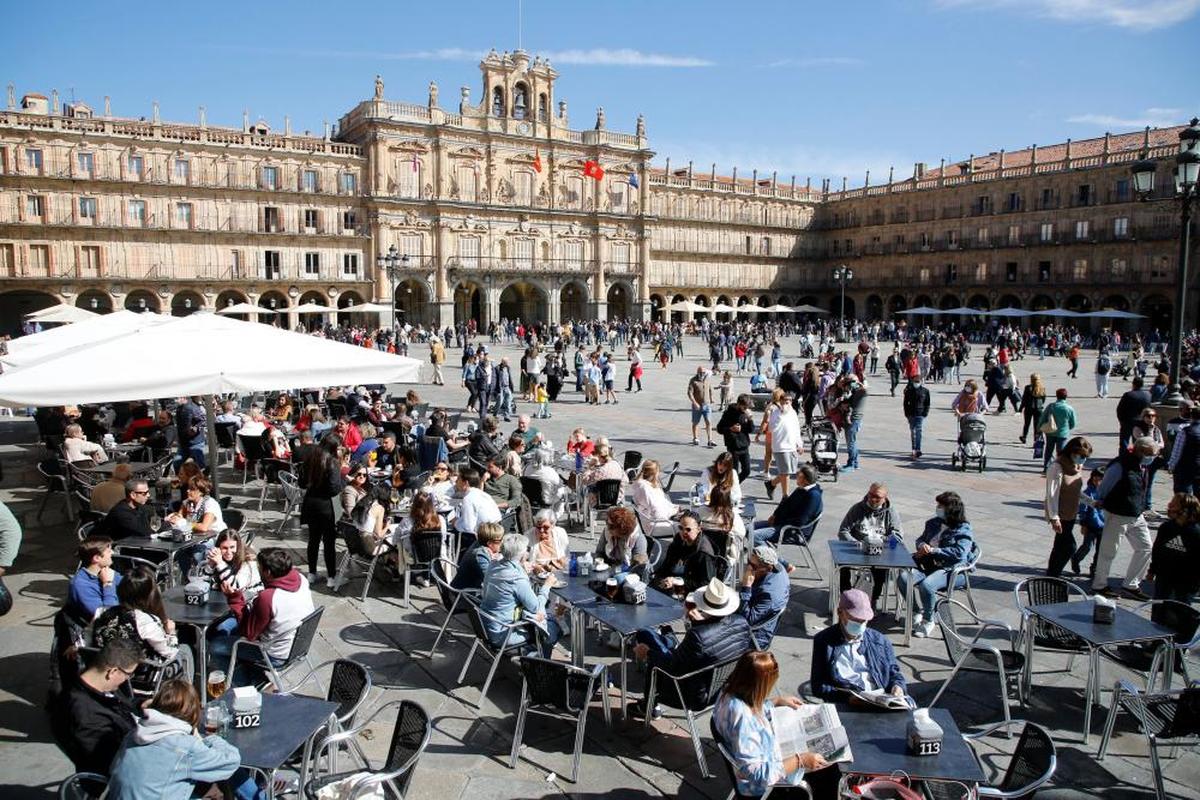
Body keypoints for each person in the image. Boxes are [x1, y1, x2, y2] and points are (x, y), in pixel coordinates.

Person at [712, 651, 835, 799]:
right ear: (759, 686)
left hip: (762, 755)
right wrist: (800, 760)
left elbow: (751, 703)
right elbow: (757, 775)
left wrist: (775, 702)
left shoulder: (728, 690)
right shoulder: (744, 722)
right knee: (829, 771)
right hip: (763, 783)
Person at [631, 578, 752, 720]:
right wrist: (697, 624)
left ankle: (648, 707)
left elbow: (673, 667)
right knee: (659, 639)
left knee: (648, 643)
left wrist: (647, 653)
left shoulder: (698, 636)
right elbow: (709, 651)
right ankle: (668, 637)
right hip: (723, 690)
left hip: (691, 696)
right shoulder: (742, 623)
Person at [106, 679, 245, 800]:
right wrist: (210, 739)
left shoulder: (133, 733)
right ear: (192, 711)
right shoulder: (185, 747)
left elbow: (113, 768)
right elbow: (231, 762)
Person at [211, 547, 314, 684]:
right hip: (298, 646)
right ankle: (257, 678)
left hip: (274, 655)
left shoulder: (269, 598)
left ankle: (247, 687)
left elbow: (248, 634)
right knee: (230, 630)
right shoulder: (301, 579)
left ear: (268, 572)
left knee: (216, 646)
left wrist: (234, 598)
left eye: (259, 568)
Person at [48, 637, 141, 775]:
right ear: (113, 672)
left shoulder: (100, 684)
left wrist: (140, 705)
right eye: (128, 674)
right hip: (121, 774)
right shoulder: (86, 716)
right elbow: (111, 763)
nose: (127, 679)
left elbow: (122, 704)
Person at [93, 563, 194, 681]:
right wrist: (171, 633)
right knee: (185, 651)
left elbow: (89, 639)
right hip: (138, 678)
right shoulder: (145, 621)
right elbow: (169, 652)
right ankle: (185, 696)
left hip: (104, 670)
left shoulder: (101, 611)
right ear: (149, 595)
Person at [896, 492, 976, 637]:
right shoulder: (933, 523)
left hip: (952, 570)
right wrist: (921, 546)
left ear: (950, 509)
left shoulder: (963, 529)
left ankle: (929, 620)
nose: (937, 508)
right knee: (903, 578)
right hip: (928, 565)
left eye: (941, 506)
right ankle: (915, 610)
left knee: (927, 585)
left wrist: (933, 550)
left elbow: (960, 553)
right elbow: (920, 539)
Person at [1091, 436, 1160, 600]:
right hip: (1117, 514)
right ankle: (1099, 585)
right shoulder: (1120, 465)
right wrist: (1102, 504)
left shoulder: (1141, 465)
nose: (1152, 458)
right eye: (1151, 454)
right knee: (1109, 551)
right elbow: (1104, 487)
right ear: (1141, 451)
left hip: (1136, 514)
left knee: (1145, 547)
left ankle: (1131, 585)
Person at [810, 589, 908, 704]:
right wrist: (847, 698)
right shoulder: (824, 641)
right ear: (840, 612)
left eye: (864, 620)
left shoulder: (880, 641)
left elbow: (894, 673)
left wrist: (898, 686)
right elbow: (818, 686)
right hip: (847, 702)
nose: (860, 624)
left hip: (880, 699)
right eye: (854, 619)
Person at [479, 534, 562, 657]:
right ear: (522, 555)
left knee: (542, 618)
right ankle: (538, 667)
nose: (528, 552)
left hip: (484, 626)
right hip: (503, 633)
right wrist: (547, 585)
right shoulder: (516, 579)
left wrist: (521, 568)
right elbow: (536, 607)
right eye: (527, 550)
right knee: (553, 628)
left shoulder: (493, 565)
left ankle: (532, 653)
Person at [837, 483, 903, 605]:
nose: (873, 499)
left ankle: (873, 599)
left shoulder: (891, 512)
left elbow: (898, 536)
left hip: (879, 550)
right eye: (871, 495)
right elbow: (843, 531)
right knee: (842, 563)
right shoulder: (857, 509)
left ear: (885, 498)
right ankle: (846, 595)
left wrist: (884, 541)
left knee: (881, 568)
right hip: (858, 549)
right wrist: (854, 543)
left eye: (877, 497)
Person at [1043, 436, 1093, 578]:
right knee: (1069, 547)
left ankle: (1052, 575)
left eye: (1085, 457)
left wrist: (1091, 502)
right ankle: (1053, 574)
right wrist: (1054, 517)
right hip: (1060, 514)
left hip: (1071, 513)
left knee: (1059, 546)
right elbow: (1052, 494)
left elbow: (1076, 490)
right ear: (1072, 452)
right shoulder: (1057, 467)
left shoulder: (1076, 466)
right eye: (1081, 456)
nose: (1083, 460)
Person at [299, 434, 345, 584]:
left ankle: (312, 573)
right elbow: (334, 488)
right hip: (326, 505)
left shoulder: (310, 458)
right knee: (329, 542)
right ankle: (332, 577)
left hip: (310, 502)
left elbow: (301, 482)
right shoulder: (332, 462)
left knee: (313, 540)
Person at [1148, 492, 1200, 608]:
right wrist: (1152, 570)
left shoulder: (1195, 533)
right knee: (1158, 612)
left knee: (1179, 614)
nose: (1169, 505)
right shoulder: (1166, 528)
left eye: (1174, 504)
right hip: (1163, 578)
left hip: (1186, 583)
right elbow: (1157, 551)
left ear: (1185, 510)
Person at [752, 465, 823, 548]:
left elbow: (800, 521)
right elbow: (786, 503)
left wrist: (778, 522)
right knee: (745, 529)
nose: (796, 476)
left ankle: (774, 560)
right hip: (781, 524)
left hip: (792, 531)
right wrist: (775, 515)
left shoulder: (813, 496)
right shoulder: (801, 489)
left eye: (799, 475)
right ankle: (758, 555)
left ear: (806, 480)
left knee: (755, 536)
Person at [654, 510, 720, 595]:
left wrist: (680, 583)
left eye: (688, 529)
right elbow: (666, 565)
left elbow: (706, 583)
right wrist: (661, 580)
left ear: (698, 529)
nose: (683, 532)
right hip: (671, 586)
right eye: (681, 528)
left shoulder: (703, 552)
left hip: (691, 592)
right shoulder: (678, 540)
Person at [739, 545, 789, 650]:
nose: (748, 568)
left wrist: (746, 587)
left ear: (768, 568)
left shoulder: (769, 595)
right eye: (748, 562)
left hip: (756, 636)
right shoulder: (778, 565)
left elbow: (747, 620)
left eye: (753, 566)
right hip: (756, 605)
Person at [68, 535, 122, 622]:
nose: (112, 553)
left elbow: (127, 584)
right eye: (109, 551)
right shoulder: (80, 585)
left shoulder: (106, 571)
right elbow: (107, 616)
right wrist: (108, 584)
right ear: (97, 558)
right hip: (95, 629)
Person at [762, 394, 802, 500]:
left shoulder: (793, 413)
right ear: (780, 401)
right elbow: (771, 428)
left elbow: (796, 429)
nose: (786, 403)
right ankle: (785, 496)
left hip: (792, 446)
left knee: (789, 471)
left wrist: (800, 444)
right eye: (784, 401)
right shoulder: (775, 413)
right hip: (780, 446)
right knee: (785, 472)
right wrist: (781, 414)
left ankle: (771, 484)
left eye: (789, 401)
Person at [1131, 408, 1166, 518]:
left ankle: (1148, 506)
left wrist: (1154, 445)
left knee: (1149, 483)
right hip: (1142, 460)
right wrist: (1154, 443)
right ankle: (1140, 505)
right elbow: (1145, 442)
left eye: (1153, 416)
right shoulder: (1138, 428)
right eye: (1148, 416)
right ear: (1143, 417)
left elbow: (1162, 443)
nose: (1151, 418)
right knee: (1141, 483)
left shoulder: (1156, 429)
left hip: (1153, 460)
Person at [1072, 468, 1106, 577]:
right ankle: (1076, 559)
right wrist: (1083, 524)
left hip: (1104, 526)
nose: (1097, 481)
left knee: (1100, 549)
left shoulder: (1106, 492)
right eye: (1095, 478)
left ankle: (1094, 568)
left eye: (1100, 479)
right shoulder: (1088, 492)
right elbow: (1083, 509)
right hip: (1091, 525)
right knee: (1087, 546)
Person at [451, 521, 504, 592]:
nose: (503, 542)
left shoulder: (479, 544)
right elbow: (492, 580)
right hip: (465, 595)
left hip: (469, 589)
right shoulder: (480, 555)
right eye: (500, 540)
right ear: (489, 543)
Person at [594, 506, 649, 574]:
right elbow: (599, 552)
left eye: (612, 526)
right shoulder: (607, 531)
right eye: (607, 524)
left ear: (622, 528)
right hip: (610, 567)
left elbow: (639, 566)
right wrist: (600, 563)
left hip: (629, 572)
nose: (608, 528)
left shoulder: (637, 538)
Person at [716, 394, 754, 482]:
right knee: (734, 472)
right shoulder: (729, 413)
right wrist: (730, 429)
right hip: (733, 447)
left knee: (746, 471)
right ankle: (732, 488)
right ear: (738, 404)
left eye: (747, 407)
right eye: (744, 407)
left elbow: (751, 429)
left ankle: (733, 486)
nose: (746, 409)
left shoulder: (746, 414)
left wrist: (750, 419)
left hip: (744, 446)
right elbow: (719, 428)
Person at [1038, 388, 1077, 472]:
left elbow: (1043, 418)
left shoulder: (1051, 406)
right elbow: (1073, 422)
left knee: (1049, 450)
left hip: (1050, 432)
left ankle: (1047, 467)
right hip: (1063, 433)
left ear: (1057, 396)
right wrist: (1067, 428)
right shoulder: (1069, 408)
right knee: (1061, 452)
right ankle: (1060, 467)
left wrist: (1039, 428)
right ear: (1066, 396)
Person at [1116, 377, 1153, 451]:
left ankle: (1123, 457)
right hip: (1142, 422)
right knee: (1138, 442)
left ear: (1133, 384)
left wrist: (1121, 420)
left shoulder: (1128, 395)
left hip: (1128, 421)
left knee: (1124, 441)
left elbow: (1120, 409)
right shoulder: (1148, 395)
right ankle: (1137, 457)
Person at [902, 377, 931, 459]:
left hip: (920, 414)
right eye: (915, 381)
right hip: (911, 413)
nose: (916, 383)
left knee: (918, 431)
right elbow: (905, 403)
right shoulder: (909, 391)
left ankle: (917, 449)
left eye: (918, 381)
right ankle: (914, 448)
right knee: (913, 432)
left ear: (921, 382)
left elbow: (927, 403)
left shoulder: (925, 391)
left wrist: (925, 412)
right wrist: (906, 413)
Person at [687, 366, 715, 447]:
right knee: (695, 422)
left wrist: (711, 398)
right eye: (701, 372)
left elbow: (710, 389)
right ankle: (695, 438)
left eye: (703, 372)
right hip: (697, 405)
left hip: (707, 404)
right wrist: (694, 403)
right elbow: (690, 393)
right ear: (697, 372)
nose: (702, 374)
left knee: (709, 422)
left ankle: (710, 440)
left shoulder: (707, 379)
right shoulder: (693, 380)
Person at [1019, 373, 1047, 444]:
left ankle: (1024, 437)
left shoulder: (1028, 388)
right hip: (1039, 409)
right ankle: (1036, 440)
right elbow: (1043, 399)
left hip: (1029, 408)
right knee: (1037, 425)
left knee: (1027, 424)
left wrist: (1020, 408)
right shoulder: (1042, 388)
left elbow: (1024, 399)